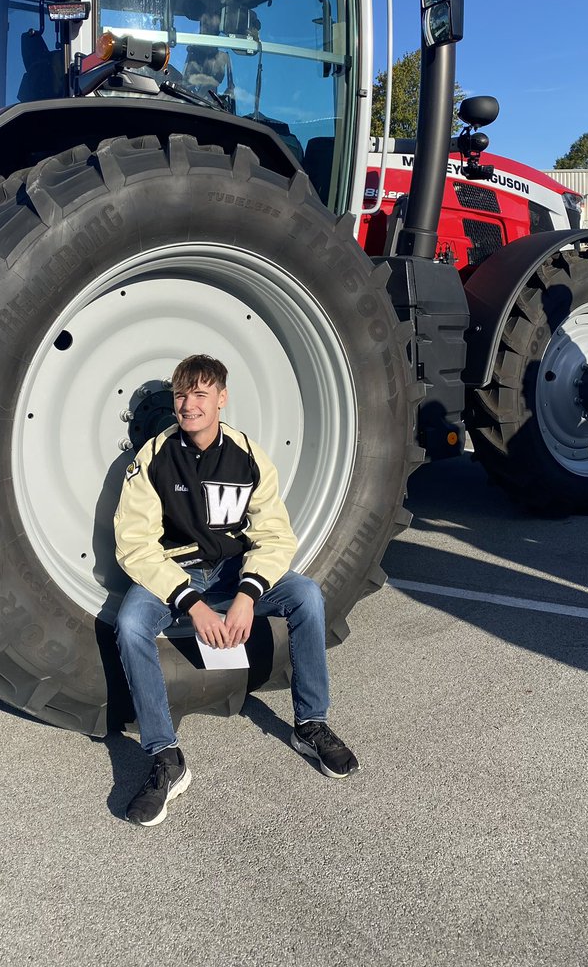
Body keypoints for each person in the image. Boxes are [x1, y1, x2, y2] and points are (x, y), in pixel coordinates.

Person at [114, 353, 359, 827]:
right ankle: (166, 757)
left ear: (222, 399)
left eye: (200, 395)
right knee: (129, 624)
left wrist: (247, 596)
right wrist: (190, 602)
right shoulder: (153, 457)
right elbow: (134, 543)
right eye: (182, 395)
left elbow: (275, 535)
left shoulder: (248, 455)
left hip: (231, 573)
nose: (189, 405)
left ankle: (310, 723)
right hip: (175, 574)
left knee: (306, 594)